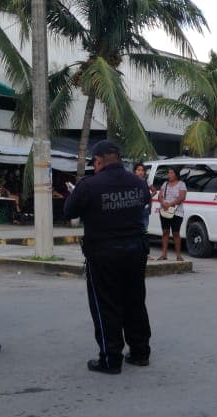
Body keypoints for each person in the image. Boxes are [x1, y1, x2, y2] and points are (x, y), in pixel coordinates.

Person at [63, 140, 152, 374]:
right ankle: (140, 352)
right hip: (136, 252)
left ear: (99, 161)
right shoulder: (138, 182)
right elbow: (144, 202)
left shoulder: (89, 185)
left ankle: (111, 358)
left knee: (106, 304)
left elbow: (69, 211)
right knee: (135, 301)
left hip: (103, 253)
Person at [156, 167, 186, 261]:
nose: (169, 175)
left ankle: (178, 255)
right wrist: (163, 203)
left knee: (176, 233)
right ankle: (164, 254)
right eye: (168, 173)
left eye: (171, 173)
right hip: (165, 211)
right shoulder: (165, 184)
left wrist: (170, 204)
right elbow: (159, 196)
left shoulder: (181, 184)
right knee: (165, 232)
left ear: (176, 174)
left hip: (177, 212)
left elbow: (182, 198)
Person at [133, 162, 156, 233]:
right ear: (135, 171)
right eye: (138, 170)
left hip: (145, 208)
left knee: (144, 227)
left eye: (142, 170)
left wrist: (148, 197)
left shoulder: (147, 181)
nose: (140, 172)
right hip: (134, 207)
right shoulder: (131, 180)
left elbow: (154, 191)